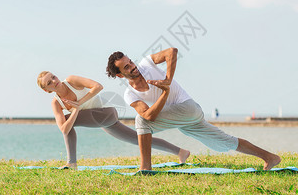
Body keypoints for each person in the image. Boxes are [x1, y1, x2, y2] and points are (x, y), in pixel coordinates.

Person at [106, 48, 281, 170]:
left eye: (130, 62)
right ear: (120, 75)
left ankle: (145, 168)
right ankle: (270, 157)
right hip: (182, 120)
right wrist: (165, 94)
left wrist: (167, 80)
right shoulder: (130, 94)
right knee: (225, 141)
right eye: (127, 67)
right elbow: (148, 115)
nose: (133, 66)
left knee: (140, 121)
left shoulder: (147, 64)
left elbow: (171, 52)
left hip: (189, 109)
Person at [37, 71, 190, 169]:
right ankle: (181, 152)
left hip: (107, 112)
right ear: (46, 90)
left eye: (53, 77)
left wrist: (80, 103)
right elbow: (63, 129)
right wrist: (76, 109)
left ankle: (71, 163)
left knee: (67, 121)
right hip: (100, 120)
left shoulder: (71, 80)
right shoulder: (56, 103)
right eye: (49, 83)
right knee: (138, 140)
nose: (54, 81)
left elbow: (98, 86)